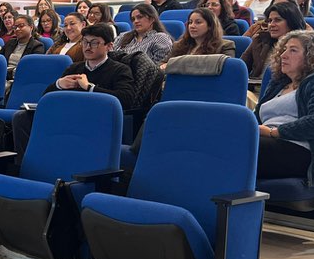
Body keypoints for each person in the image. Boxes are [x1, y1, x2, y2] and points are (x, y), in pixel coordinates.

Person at [12, 23, 135, 154]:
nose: (88, 47)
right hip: (68, 114)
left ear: (109, 46)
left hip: (95, 117)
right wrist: (59, 84)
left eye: (94, 43)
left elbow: (126, 99)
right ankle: (27, 162)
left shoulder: (120, 69)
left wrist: (90, 88)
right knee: (22, 117)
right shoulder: (75, 68)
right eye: (85, 42)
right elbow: (46, 98)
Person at [255, 30, 314, 188]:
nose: (283, 55)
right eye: (284, 49)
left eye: (293, 50)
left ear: (313, 56)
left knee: (237, 147)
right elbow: (255, 118)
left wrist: (274, 132)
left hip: (302, 150)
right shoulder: (278, 84)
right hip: (269, 142)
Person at [240, 1, 308, 79]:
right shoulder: (260, 39)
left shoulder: (302, 45)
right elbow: (240, 68)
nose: (271, 25)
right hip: (255, 84)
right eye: (270, 21)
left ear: (292, 22)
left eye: (278, 20)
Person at [161, 8, 235, 70]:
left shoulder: (225, 46)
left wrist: (175, 64)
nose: (192, 26)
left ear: (210, 26)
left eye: (198, 22)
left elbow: (227, 70)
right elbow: (162, 64)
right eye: (190, 22)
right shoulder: (179, 45)